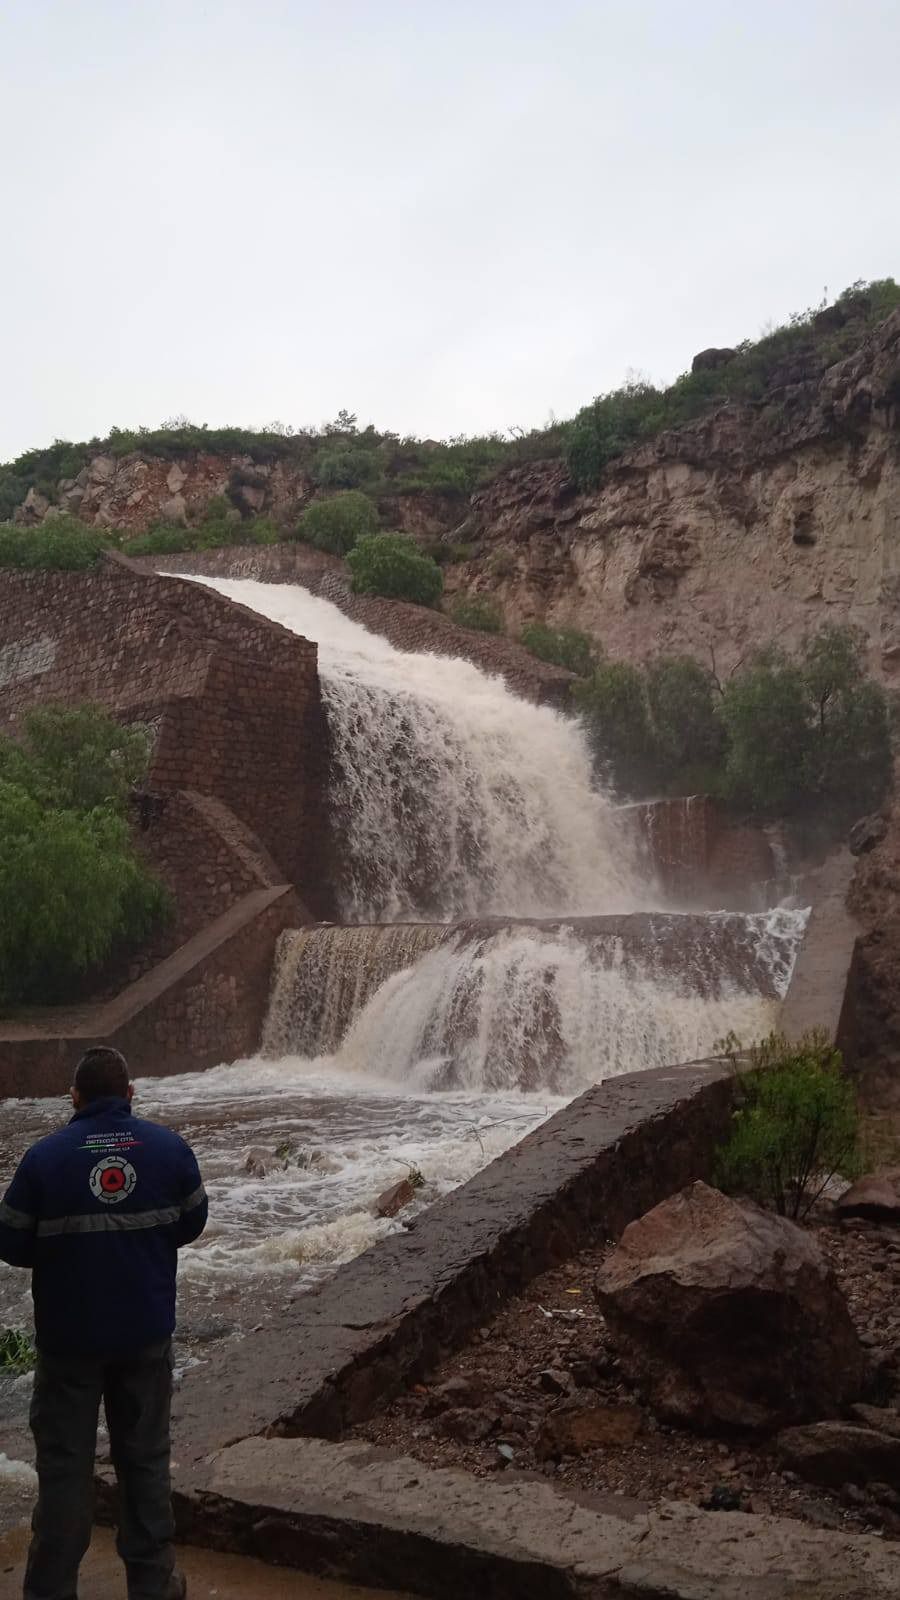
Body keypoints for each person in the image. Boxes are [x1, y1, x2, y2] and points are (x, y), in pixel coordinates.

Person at [0, 1045, 208, 1600]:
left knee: (65, 1470)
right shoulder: (169, 1150)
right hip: (144, 1336)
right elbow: (192, 1223)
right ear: (130, 1095)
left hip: (69, 1344)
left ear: (75, 1097)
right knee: (144, 1461)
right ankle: (153, 1584)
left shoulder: (44, 1159)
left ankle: (49, 1590)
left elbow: (13, 1243)